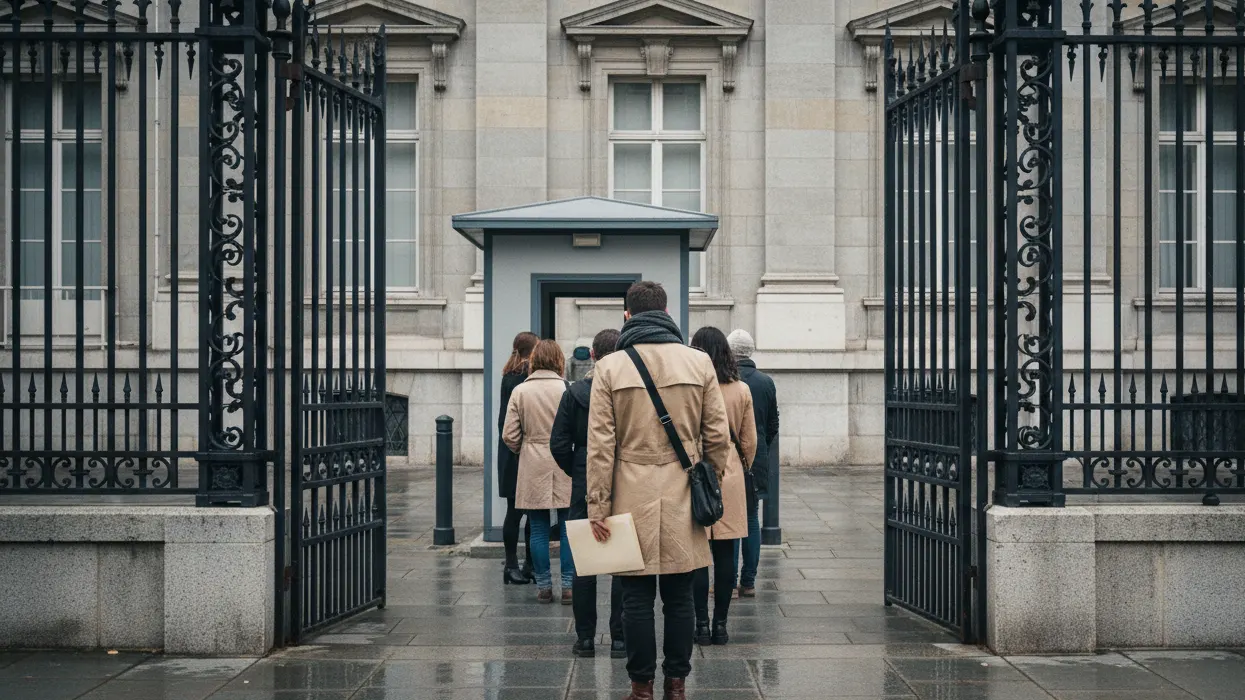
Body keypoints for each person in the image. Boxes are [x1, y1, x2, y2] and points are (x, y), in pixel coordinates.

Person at [586, 281, 733, 700]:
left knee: (634, 597)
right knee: (681, 596)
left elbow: (600, 447)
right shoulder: (698, 362)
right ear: (667, 312)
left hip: (628, 494)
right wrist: (712, 481)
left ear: (628, 316)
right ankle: (677, 683)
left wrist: (598, 505)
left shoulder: (610, 368)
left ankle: (641, 686)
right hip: (683, 490)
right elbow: (717, 436)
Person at [551, 328, 626, 659]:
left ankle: (584, 639)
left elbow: (557, 442)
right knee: (623, 561)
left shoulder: (575, 392)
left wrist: (577, 468)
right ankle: (620, 639)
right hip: (623, 475)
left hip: (584, 476)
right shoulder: (626, 391)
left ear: (593, 355)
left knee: (585, 565)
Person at [689, 327, 756, 646]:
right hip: (730, 473)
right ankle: (721, 625)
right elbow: (749, 440)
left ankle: (700, 624)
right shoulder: (741, 389)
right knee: (727, 552)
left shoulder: (693, 387)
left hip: (697, 473)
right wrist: (740, 467)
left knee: (699, 553)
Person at [503, 339, 575, 604]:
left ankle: (544, 586)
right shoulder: (568, 388)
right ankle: (568, 586)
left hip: (532, 462)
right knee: (568, 528)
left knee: (538, 528)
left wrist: (527, 448)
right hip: (564, 460)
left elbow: (509, 435)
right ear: (558, 360)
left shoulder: (521, 391)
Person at [727, 329, 779, 598]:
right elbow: (773, 425)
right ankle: (748, 581)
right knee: (751, 518)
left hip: (729, 458)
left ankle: (729, 581)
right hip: (756, 458)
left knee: (731, 521)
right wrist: (760, 448)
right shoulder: (766, 382)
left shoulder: (724, 380)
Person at [499, 332, 539, 585]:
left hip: (511, 452)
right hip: (520, 452)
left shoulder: (508, 376)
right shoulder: (522, 379)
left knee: (517, 512)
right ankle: (519, 565)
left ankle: (519, 564)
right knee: (524, 513)